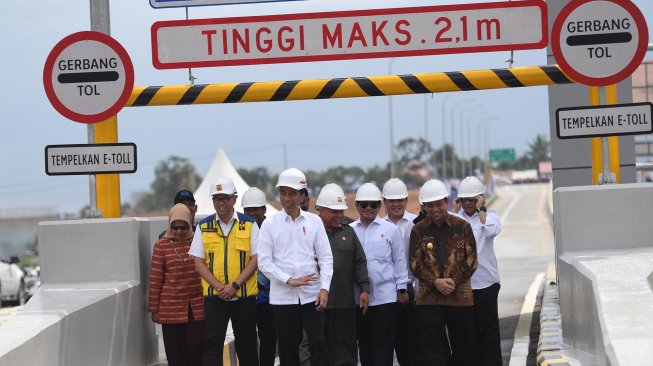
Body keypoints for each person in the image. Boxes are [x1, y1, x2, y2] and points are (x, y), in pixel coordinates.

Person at [257, 168, 333, 366]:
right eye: (283, 193)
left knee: (318, 343)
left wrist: (324, 288)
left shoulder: (314, 222)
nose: (286, 198)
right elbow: (264, 261)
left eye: (292, 193)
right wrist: (288, 279)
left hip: (312, 294)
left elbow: (326, 258)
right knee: (288, 349)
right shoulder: (270, 224)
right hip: (283, 298)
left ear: (302, 196)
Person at [188, 177, 259, 366]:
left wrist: (234, 286)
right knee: (212, 344)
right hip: (215, 296)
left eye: (225, 198)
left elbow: (256, 259)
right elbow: (198, 263)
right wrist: (220, 287)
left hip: (243, 296)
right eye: (217, 199)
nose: (221, 203)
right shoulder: (203, 227)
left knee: (247, 343)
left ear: (234, 199)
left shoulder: (249, 224)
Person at [409, 179, 478, 366]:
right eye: (430, 205)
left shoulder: (462, 226)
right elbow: (415, 263)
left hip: (460, 298)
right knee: (433, 354)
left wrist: (451, 282)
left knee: (464, 351)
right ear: (423, 206)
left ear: (446, 201)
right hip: (429, 299)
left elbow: (471, 261)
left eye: (438, 204)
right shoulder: (418, 230)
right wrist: (435, 282)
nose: (435, 209)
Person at [350, 183, 409, 366]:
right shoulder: (349, 231)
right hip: (358, 299)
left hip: (386, 299)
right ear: (357, 205)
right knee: (365, 347)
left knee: (383, 348)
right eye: (364, 204)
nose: (369, 208)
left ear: (379, 205)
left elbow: (399, 261)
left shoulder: (390, 230)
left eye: (374, 204)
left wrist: (402, 289)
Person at [451, 176, 502, 366]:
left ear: (480, 199)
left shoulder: (491, 217)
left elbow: (490, 231)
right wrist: (454, 211)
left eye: (471, 200)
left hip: (487, 283)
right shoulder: (456, 220)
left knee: (489, 330)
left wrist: (482, 210)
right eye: (463, 199)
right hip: (464, 285)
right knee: (469, 334)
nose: (467, 204)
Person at [317, 183, 370, 366]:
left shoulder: (349, 232)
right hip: (317, 306)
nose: (339, 215)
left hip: (345, 304)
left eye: (341, 211)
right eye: (334, 211)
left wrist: (364, 289)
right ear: (321, 209)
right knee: (319, 350)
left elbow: (360, 262)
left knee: (346, 352)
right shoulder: (311, 233)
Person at [148, 203, 205, 366]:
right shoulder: (161, 245)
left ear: (190, 224)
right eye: (175, 227)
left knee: (196, 348)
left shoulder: (199, 242)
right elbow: (155, 279)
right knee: (175, 352)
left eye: (183, 227)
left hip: (197, 307)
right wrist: (154, 309)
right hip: (170, 308)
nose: (179, 232)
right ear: (169, 225)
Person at [381, 178, 419, 366]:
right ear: (384, 202)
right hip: (387, 293)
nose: (396, 204)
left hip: (412, 290)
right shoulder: (378, 226)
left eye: (400, 200)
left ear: (406, 200)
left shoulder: (416, 223)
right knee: (389, 342)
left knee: (413, 344)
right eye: (391, 200)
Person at [242, 187, 277, 366]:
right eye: (248, 209)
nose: (252, 213)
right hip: (245, 295)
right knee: (247, 339)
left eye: (256, 209)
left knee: (268, 338)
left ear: (264, 209)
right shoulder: (239, 231)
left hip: (268, 297)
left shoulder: (272, 230)